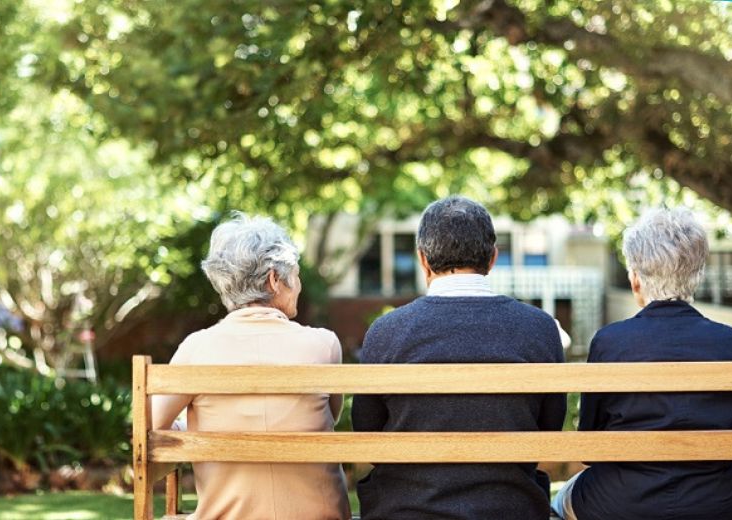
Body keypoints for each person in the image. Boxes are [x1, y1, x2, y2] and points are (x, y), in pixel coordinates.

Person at [353, 196, 566, 519]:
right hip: (511, 509)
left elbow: (367, 433)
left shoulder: (386, 332)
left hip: (406, 510)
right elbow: (549, 429)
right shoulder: (539, 329)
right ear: (492, 259)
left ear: (423, 260)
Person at [551, 208, 732, 520]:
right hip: (717, 500)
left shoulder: (610, 342)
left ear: (635, 281)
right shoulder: (731, 342)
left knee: (559, 501)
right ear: (696, 276)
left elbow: (591, 444)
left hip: (622, 501)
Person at [151, 213, 350, 520]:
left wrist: (188, 428)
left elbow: (151, 430)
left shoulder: (197, 348)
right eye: (295, 275)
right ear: (274, 279)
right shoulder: (323, 345)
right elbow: (328, 418)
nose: (297, 285)